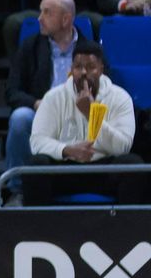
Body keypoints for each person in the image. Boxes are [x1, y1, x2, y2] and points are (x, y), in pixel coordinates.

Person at [27, 38, 147, 203]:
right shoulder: (53, 97)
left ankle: (127, 227)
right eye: (78, 67)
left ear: (101, 70)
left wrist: (91, 114)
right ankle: (37, 227)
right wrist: (67, 149)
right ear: (71, 70)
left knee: (133, 164)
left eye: (90, 67)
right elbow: (37, 142)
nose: (83, 72)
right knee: (36, 165)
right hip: (65, 168)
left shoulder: (120, 98)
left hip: (103, 169)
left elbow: (123, 147)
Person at [5, 0, 85, 192]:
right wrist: (36, 103)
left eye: (47, 13)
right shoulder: (30, 47)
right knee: (20, 117)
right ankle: (17, 190)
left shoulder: (89, 49)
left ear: (66, 19)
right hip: (41, 113)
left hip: (79, 113)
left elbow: (104, 90)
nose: (39, 18)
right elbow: (11, 92)